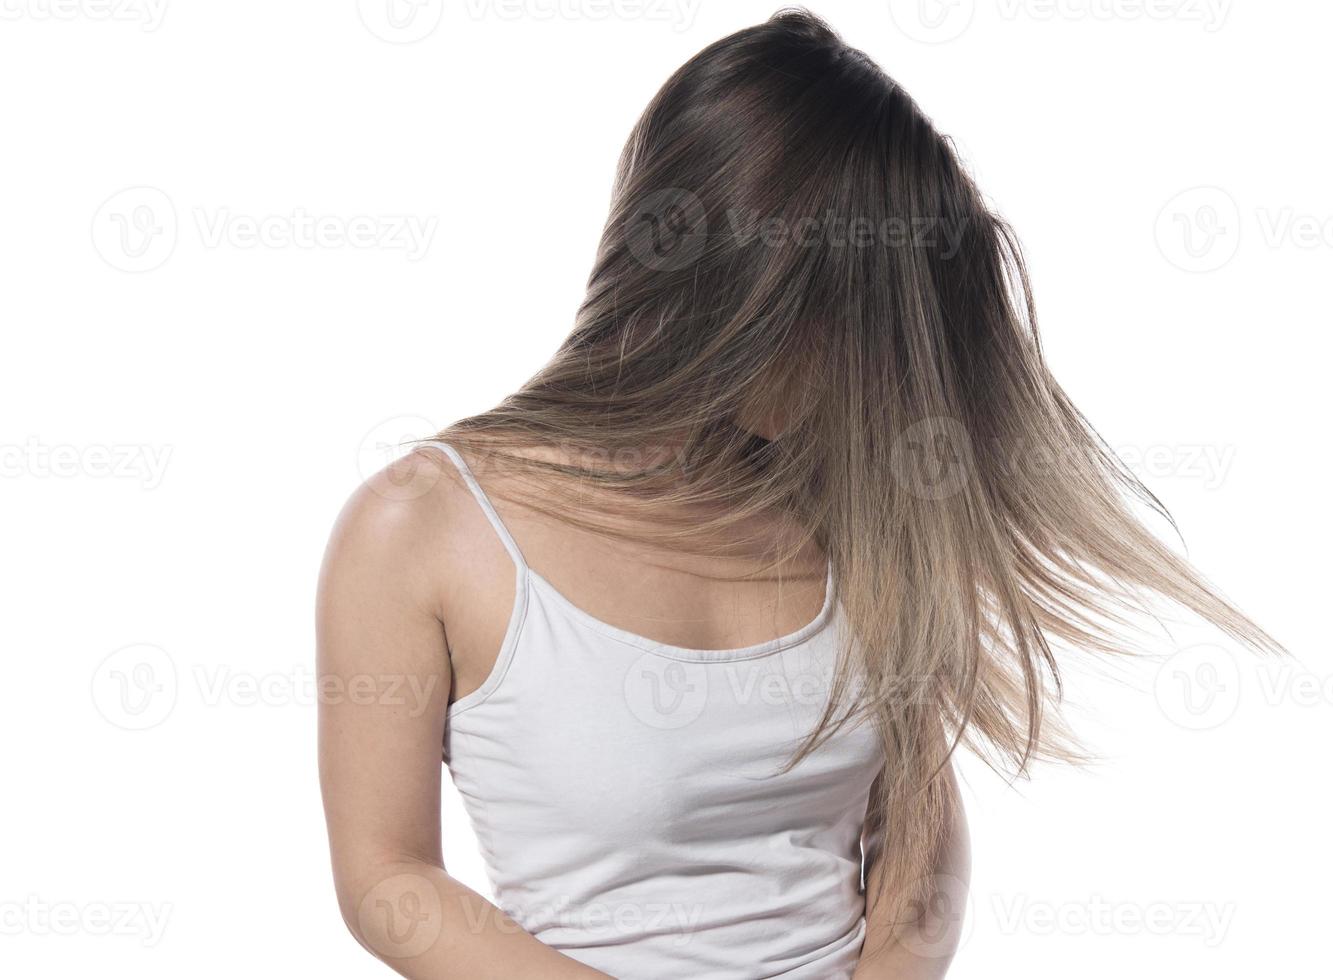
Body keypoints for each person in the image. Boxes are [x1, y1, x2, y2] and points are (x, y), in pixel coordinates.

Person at [316, 10, 1277, 978]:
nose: (870, 372)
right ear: (731, 289)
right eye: (850, 324)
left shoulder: (847, 507)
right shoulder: (422, 526)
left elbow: (919, 830)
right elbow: (387, 877)